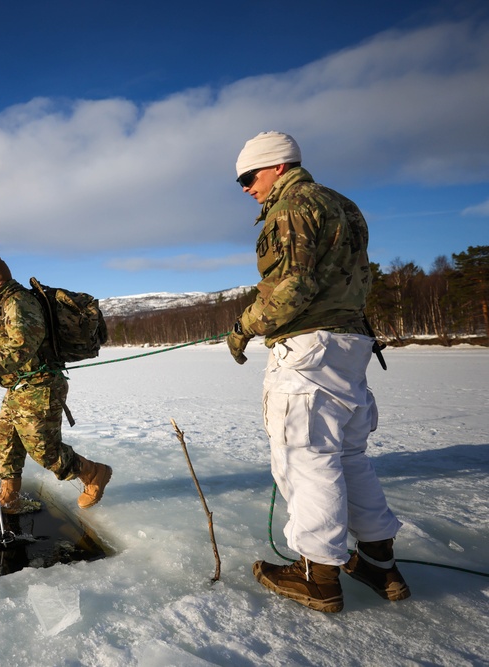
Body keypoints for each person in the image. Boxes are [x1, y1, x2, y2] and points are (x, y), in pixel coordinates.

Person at [228, 131, 410, 612]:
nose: (246, 187)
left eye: (250, 176)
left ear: (279, 167)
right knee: (348, 455)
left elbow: (292, 288)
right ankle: (378, 562)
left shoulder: (292, 208)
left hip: (309, 349)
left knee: (305, 456)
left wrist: (243, 326)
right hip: (348, 344)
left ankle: (317, 574)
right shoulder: (343, 206)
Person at [0, 254, 112, 513]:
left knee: (45, 450)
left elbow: (21, 348)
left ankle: (94, 473)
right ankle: (8, 498)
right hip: (19, 387)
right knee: (6, 443)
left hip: (40, 386)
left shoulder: (19, 302)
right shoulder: (2, 305)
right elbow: (2, 346)